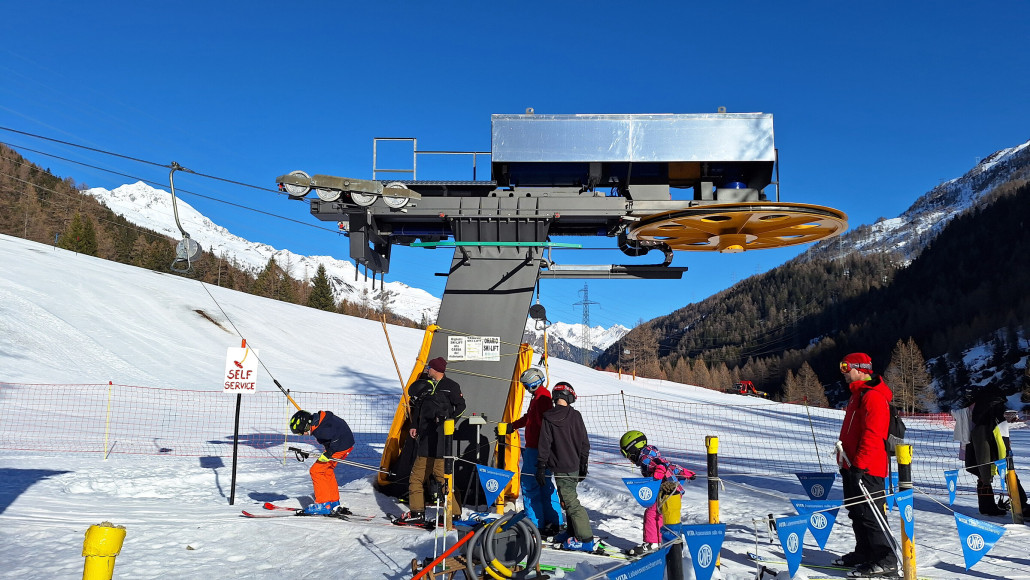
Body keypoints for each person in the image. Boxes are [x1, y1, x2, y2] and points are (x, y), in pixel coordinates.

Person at [834, 353, 898, 578]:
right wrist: (846, 462)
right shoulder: (857, 395)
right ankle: (865, 552)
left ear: (861, 369)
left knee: (871, 513)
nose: (843, 372)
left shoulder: (873, 396)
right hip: (852, 465)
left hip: (868, 468)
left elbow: (873, 434)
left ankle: (886, 558)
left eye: (846, 367)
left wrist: (860, 466)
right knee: (856, 511)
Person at [398, 357, 466, 525]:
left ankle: (453, 513)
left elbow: (461, 406)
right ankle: (418, 512)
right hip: (425, 440)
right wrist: (414, 425)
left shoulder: (451, 386)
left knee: (442, 478)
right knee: (417, 477)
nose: (427, 370)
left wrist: (448, 422)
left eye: (430, 368)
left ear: (436, 369)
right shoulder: (425, 385)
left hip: (442, 441)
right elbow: (418, 408)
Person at [498, 367, 564, 536]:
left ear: (533, 384)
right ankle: (553, 522)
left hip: (537, 449)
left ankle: (535, 523)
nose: (526, 389)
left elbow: (543, 426)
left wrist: (543, 449)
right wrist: (514, 425)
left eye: (527, 386)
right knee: (544, 485)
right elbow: (529, 417)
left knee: (529, 485)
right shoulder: (540, 397)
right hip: (539, 448)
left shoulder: (542, 398)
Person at [536, 382, 594, 551]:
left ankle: (585, 539)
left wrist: (541, 465)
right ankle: (571, 531)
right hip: (574, 465)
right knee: (567, 499)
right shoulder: (576, 416)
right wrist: (583, 464)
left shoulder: (548, 417)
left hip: (561, 467)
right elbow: (585, 443)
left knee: (571, 502)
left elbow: (544, 445)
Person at [619, 430, 696, 554]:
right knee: (663, 515)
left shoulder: (645, 459)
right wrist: (684, 472)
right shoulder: (651, 454)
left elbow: (661, 465)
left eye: (627, 455)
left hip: (666, 491)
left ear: (633, 449)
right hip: (672, 491)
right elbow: (668, 464)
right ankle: (664, 542)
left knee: (652, 514)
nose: (629, 459)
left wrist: (659, 471)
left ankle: (652, 544)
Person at [289, 409, 355, 516]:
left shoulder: (321, 429)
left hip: (339, 447)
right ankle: (334, 502)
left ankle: (323, 504)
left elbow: (335, 439)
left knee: (316, 471)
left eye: (302, 432)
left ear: (306, 426)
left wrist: (329, 453)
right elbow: (336, 430)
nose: (304, 435)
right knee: (327, 471)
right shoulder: (321, 421)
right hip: (345, 444)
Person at [966, 384, 1018, 515]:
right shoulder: (994, 409)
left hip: (975, 444)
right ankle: (1019, 505)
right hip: (992, 445)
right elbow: (1000, 430)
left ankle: (987, 506)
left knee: (983, 476)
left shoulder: (976, 407)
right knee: (1005, 473)